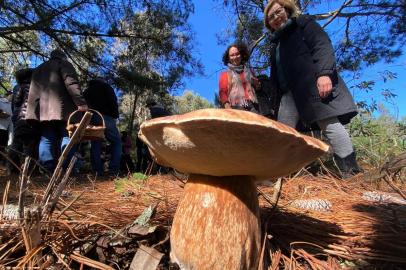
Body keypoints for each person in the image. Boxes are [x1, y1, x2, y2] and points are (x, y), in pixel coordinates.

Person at [264, 0, 362, 178]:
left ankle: (351, 171)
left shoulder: (303, 24)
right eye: (271, 17)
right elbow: (275, 76)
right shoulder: (276, 45)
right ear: (268, 23)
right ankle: (280, 177)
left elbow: (322, 45)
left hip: (312, 83)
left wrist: (324, 74)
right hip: (288, 95)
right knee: (283, 135)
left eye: (278, 12)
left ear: (287, 9)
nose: (276, 18)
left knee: (329, 123)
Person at [26, 49, 88, 173]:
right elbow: (71, 83)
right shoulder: (63, 64)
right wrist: (81, 103)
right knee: (67, 136)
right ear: (63, 57)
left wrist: (34, 111)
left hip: (43, 112)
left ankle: (47, 169)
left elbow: (33, 92)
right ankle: (67, 168)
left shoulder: (39, 69)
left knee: (46, 138)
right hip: (63, 110)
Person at [83, 78, 122, 176]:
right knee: (116, 142)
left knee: (95, 142)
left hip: (91, 117)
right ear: (101, 81)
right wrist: (115, 115)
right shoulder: (105, 87)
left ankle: (97, 170)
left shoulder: (86, 91)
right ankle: (113, 170)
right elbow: (112, 101)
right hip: (106, 117)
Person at [9, 68, 40, 173]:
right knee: (31, 145)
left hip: (18, 119)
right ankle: (30, 171)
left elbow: (15, 104)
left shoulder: (17, 87)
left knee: (16, 143)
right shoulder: (36, 87)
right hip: (31, 118)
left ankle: (13, 169)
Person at [218, 42, 260, 112]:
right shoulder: (225, 74)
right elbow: (222, 93)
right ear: (228, 58)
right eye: (232, 55)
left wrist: (258, 85)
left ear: (241, 55)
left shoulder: (250, 72)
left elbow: (258, 88)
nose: (235, 57)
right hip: (236, 107)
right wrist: (228, 108)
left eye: (237, 54)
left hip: (254, 106)